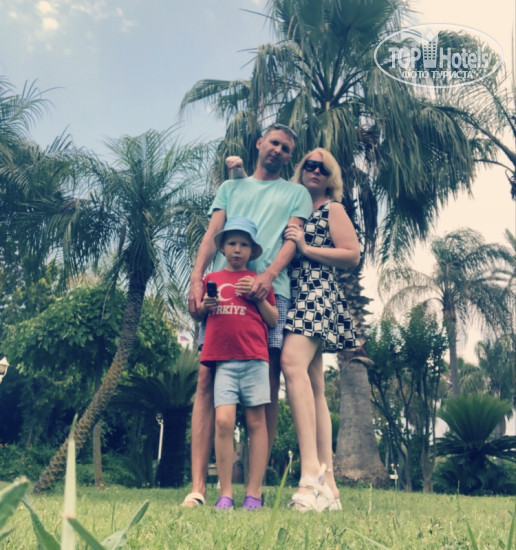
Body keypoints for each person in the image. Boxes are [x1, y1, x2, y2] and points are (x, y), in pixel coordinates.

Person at [182, 123, 313, 507]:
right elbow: (213, 234)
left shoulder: (297, 194)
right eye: (274, 143)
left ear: (290, 156)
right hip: (221, 294)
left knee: (268, 387)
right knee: (206, 379)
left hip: (271, 293)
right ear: (259, 144)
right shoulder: (231, 188)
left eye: (286, 148)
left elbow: (292, 239)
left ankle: (254, 490)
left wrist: (266, 276)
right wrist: (196, 277)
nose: (278, 151)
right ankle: (199, 488)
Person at [281, 148, 360, 511]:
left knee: (291, 364)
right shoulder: (295, 207)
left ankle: (310, 474)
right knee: (314, 385)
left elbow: (352, 254)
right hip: (293, 293)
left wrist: (306, 247)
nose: (315, 171)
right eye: (309, 165)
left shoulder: (332, 209)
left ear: (331, 177)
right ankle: (329, 483)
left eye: (323, 168)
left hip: (316, 291)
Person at [199, 216, 278, 510]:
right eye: (231, 243)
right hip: (223, 362)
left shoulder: (259, 281)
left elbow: (273, 320)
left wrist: (256, 297)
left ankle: (253, 493)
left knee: (257, 422)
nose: (237, 249)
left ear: (252, 250)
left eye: (244, 244)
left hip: (255, 359)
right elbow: (198, 313)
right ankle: (226, 493)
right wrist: (205, 307)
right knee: (223, 421)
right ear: (222, 248)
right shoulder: (211, 279)